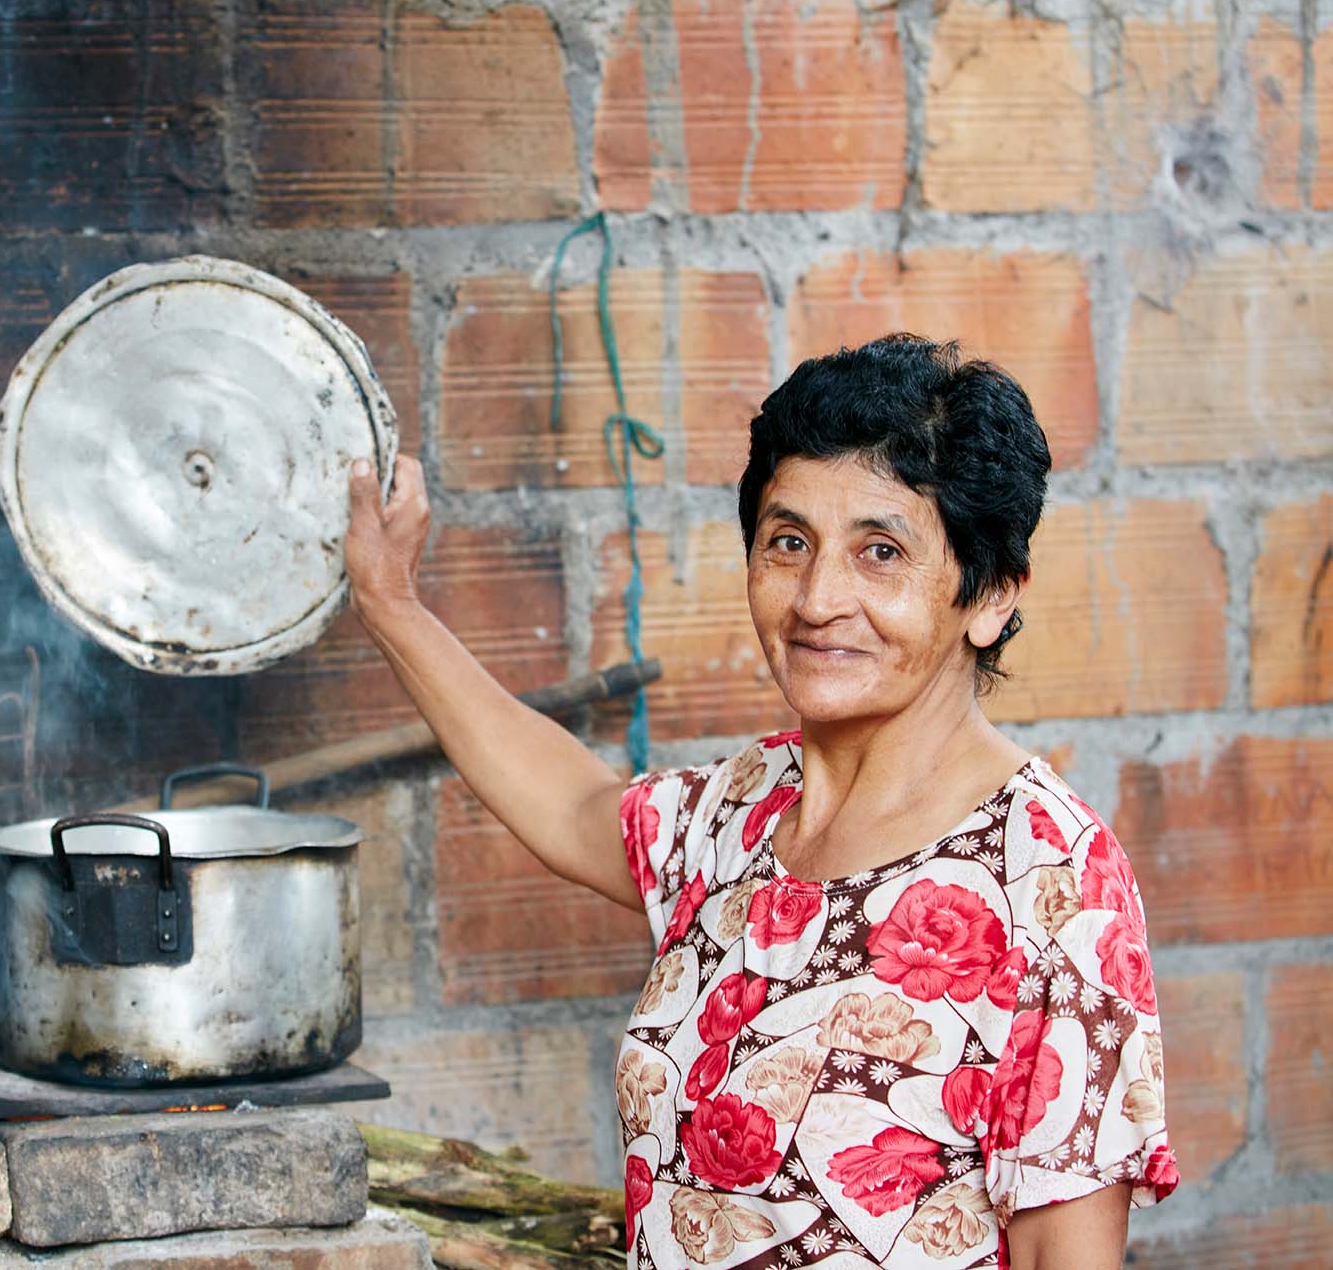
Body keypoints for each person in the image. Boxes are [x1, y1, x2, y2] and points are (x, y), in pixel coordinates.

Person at [343, 334, 1176, 1270]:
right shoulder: (747, 806)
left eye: (881, 551)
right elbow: (574, 804)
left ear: (988, 597)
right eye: (789, 542)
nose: (819, 598)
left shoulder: (1050, 876)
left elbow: (1071, 1253)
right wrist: (390, 603)